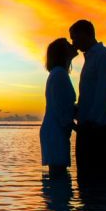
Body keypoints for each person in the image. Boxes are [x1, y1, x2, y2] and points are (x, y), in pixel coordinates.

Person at [69, 20, 106, 179]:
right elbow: (90, 96)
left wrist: (90, 122)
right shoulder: (91, 59)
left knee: (104, 180)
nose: (74, 44)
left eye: (75, 38)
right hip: (90, 127)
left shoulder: (105, 56)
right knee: (87, 180)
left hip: (102, 128)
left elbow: (105, 93)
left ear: (86, 34)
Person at [40, 37, 78, 177]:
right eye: (68, 44)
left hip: (55, 130)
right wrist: (78, 127)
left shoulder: (58, 74)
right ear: (62, 52)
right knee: (58, 177)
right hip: (55, 131)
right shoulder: (59, 74)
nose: (73, 45)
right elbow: (61, 107)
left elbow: (64, 105)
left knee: (58, 176)